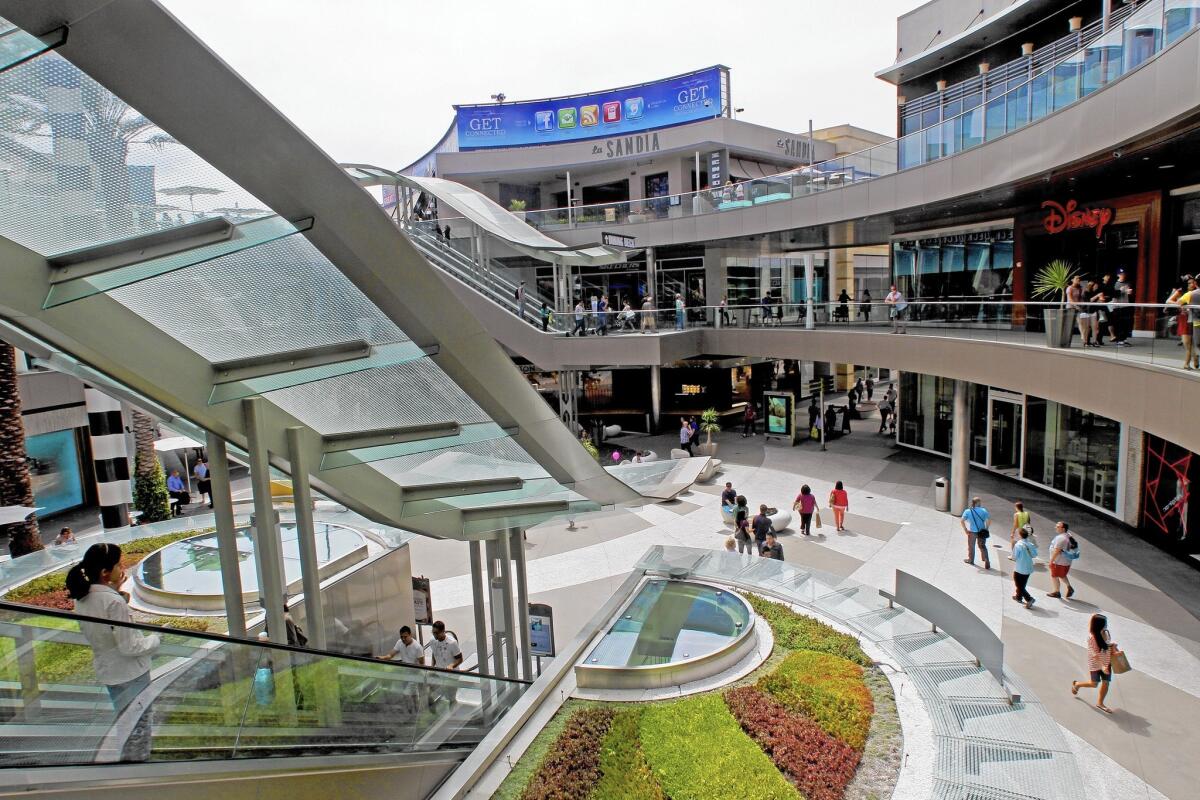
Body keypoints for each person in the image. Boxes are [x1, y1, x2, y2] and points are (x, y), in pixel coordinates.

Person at [67, 543, 160, 761]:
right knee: (140, 723)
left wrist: (117, 593)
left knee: (126, 719)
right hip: (131, 673)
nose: (123, 568)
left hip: (110, 672)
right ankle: (137, 766)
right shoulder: (112, 602)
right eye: (119, 565)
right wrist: (156, 639)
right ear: (105, 572)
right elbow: (130, 646)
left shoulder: (83, 598)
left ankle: (130, 762)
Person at [1072, 614, 1120, 713]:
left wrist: (1112, 645)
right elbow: (1095, 655)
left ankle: (1100, 703)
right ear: (1099, 625)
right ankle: (1077, 684)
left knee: (1106, 683)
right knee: (1094, 684)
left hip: (1106, 662)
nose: (1107, 625)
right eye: (1105, 623)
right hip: (1096, 664)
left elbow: (1105, 645)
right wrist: (1102, 666)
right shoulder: (1092, 639)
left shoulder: (1105, 633)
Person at [1173, 275, 1200, 369]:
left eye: (1193, 282)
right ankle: (1193, 360)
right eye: (1189, 283)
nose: (1192, 284)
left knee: (1192, 342)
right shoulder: (1181, 291)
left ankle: (1190, 361)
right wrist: (1183, 305)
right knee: (1188, 343)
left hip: (1193, 320)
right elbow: (1169, 301)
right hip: (1185, 319)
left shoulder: (1193, 293)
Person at [1047, 521, 1078, 599]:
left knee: (1054, 576)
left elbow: (1057, 551)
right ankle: (1069, 587)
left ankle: (1056, 592)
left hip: (1058, 562)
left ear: (1063, 529)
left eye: (1057, 526)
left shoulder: (1061, 538)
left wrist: (1051, 561)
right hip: (1066, 562)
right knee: (1062, 575)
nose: (1055, 527)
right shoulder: (1069, 535)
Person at [960, 496, 991, 569]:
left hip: (972, 532)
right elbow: (988, 521)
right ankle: (986, 560)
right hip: (982, 532)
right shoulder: (984, 510)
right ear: (978, 503)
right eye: (980, 502)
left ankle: (971, 560)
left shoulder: (968, 511)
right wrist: (986, 528)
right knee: (982, 546)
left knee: (971, 546)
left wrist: (965, 530)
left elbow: (962, 521)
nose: (980, 503)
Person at [1012, 525, 1038, 609]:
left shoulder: (1018, 545)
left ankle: (1029, 598)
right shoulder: (1030, 544)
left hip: (1020, 568)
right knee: (1023, 584)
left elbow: (1014, 557)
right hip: (1028, 567)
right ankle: (1018, 597)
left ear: (1020, 535)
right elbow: (1034, 555)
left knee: (1018, 584)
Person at [1110, 269, 1133, 346]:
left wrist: (1130, 292)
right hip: (1117, 306)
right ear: (1118, 275)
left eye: (1124, 273)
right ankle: (1119, 340)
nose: (1123, 275)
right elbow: (1113, 294)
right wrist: (1120, 290)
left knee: (1126, 323)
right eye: (1121, 274)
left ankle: (1124, 339)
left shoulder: (1127, 283)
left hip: (1126, 305)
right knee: (1119, 323)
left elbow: (1129, 294)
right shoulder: (1114, 284)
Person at [1067, 275, 1090, 347]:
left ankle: (1083, 338)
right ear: (1072, 280)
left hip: (1079, 308)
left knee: (1081, 322)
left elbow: (1082, 298)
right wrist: (1076, 306)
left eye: (1079, 279)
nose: (1078, 280)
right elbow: (1070, 299)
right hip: (1070, 307)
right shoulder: (1069, 288)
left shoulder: (1080, 288)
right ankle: (1068, 339)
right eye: (1076, 279)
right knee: (1070, 325)